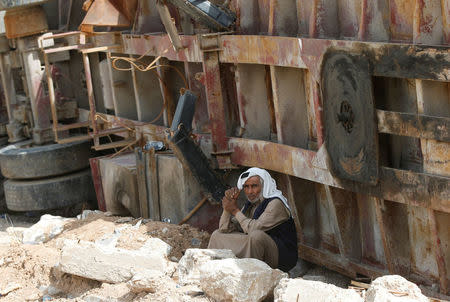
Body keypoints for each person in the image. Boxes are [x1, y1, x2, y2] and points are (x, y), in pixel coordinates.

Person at [208, 167, 298, 272]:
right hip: (256, 246)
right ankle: (214, 271)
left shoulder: (276, 203)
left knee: (256, 235)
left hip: (281, 256)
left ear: (264, 186)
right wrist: (227, 208)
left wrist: (235, 211)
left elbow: (254, 228)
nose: (250, 191)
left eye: (254, 186)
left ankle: (250, 273)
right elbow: (224, 229)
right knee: (217, 235)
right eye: (246, 187)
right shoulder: (250, 205)